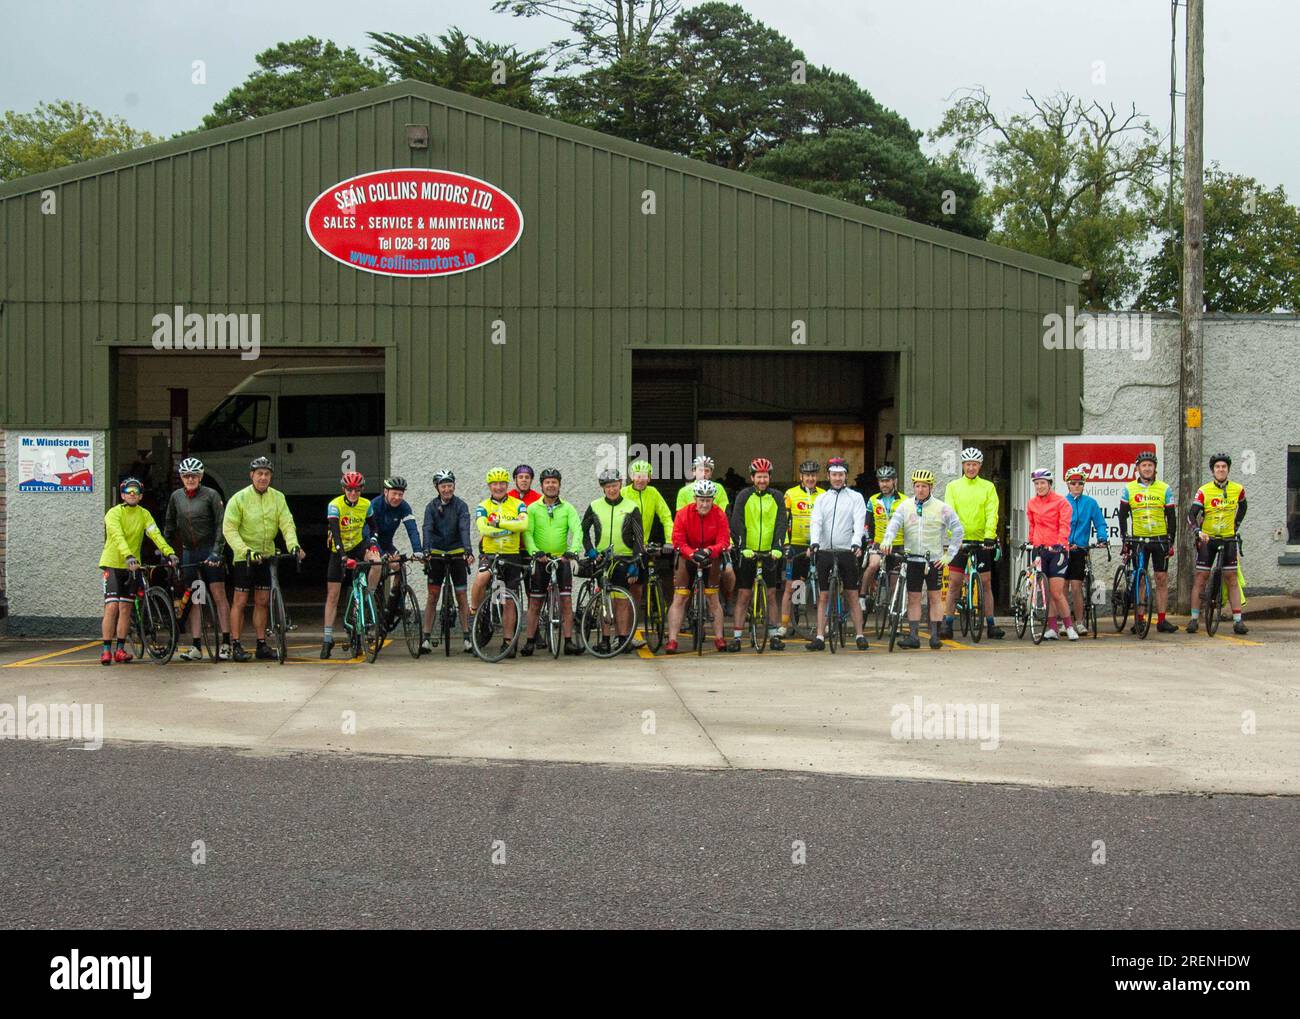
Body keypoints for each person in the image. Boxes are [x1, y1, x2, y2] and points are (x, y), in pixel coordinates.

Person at [221, 457, 304, 662]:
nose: (263, 477)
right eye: (259, 473)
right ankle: (236, 644)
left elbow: (287, 523)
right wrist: (245, 550)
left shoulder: (278, 497)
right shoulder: (238, 499)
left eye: (267, 474)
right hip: (245, 557)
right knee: (240, 601)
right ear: (252, 475)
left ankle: (261, 644)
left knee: (262, 601)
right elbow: (229, 529)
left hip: (267, 555)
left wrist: (293, 544)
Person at [880, 469, 964, 649]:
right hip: (913, 559)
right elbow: (893, 525)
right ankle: (913, 636)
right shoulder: (905, 506)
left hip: (933, 560)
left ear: (931, 487)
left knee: (934, 598)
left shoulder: (942, 507)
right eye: (917, 486)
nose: (920, 490)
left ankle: (934, 636)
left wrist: (949, 555)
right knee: (913, 597)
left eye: (924, 486)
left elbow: (958, 530)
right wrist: (887, 540)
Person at [98, 477, 178, 665]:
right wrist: (127, 555)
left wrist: (170, 553)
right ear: (122, 495)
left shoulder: (144, 514)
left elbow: (155, 534)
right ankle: (106, 649)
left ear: (141, 496)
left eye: (136, 492)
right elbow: (117, 536)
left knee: (126, 608)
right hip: (114, 563)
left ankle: (120, 650)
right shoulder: (113, 513)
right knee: (112, 607)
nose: (132, 495)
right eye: (128, 492)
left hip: (133, 565)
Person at [163, 457, 230, 661]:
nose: (190, 479)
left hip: (210, 549)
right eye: (186, 476)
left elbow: (221, 524)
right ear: (181, 478)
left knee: (218, 593)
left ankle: (226, 642)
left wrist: (217, 551)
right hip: (189, 552)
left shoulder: (211, 495)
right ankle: (196, 646)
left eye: (194, 475)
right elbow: (169, 525)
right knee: (195, 597)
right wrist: (167, 551)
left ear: (200, 477)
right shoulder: (176, 497)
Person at [806, 456, 869, 651]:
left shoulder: (855, 497)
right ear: (828, 475)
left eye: (841, 475)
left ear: (846, 476)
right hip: (825, 550)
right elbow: (816, 521)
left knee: (852, 593)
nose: (838, 478)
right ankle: (820, 636)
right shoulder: (822, 498)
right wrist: (814, 542)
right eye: (834, 475)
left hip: (846, 550)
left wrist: (856, 543)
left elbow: (859, 523)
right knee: (824, 595)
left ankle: (859, 635)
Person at [580, 469, 645, 654]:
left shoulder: (632, 507)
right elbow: (583, 531)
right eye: (608, 486)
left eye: (615, 485)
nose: (612, 489)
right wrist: (591, 551)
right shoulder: (594, 506)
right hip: (601, 559)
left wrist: (635, 561)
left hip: (623, 558)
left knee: (622, 601)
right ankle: (605, 640)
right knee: (604, 600)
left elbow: (639, 538)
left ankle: (623, 639)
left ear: (621, 485)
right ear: (603, 488)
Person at [942, 447, 1003, 640]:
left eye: (974, 464)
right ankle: (948, 623)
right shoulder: (953, 486)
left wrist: (989, 536)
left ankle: (991, 624)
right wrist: (955, 537)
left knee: (985, 583)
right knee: (954, 583)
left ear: (980, 466)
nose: (971, 468)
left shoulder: (988, 487)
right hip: (960, 541)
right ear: (962, 465)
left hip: (981, 541)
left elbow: (992, 513)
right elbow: (949, 513)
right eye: (967, 464)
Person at [521, 468, 583, 656]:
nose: (550, 485)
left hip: (561, 558)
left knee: (565, 601)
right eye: (547, 482)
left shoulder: (567, 508)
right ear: (541, 485)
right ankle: (530, 641)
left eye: (554, 482)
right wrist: (534, 552)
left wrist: (573, 551)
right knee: (535, 602)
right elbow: (527, 533)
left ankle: (568, 641)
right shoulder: (532, 508)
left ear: (559, 485)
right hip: (541, 560)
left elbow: (577, 530)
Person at [728, 458, 788, 651]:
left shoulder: (777, 496)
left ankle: (773, 636)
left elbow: (781, 523)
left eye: (765, 476)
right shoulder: (744, 495)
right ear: (752, 477)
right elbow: (737, 522)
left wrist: (778, 546)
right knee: (744, 594)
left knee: (771, 595)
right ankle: (737, 637)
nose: (762, 480)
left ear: (770, 477)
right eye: (759, 476)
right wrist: (742, 546)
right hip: (748, 552)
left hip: (771, 552)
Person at [664, 479, 730, 653]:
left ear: (713, 499)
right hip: (688, 555)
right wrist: (691, 553)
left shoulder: (719, 514)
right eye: (702, 500)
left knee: (713, 598)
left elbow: (724, 540)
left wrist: (710, 550)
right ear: (695, 498)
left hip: (710, 556)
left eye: (708, 500)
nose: (705, 504)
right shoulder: (683, 514)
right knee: (680, 597)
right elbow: (677, 539)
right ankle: (672, 640)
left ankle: (719, 638)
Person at [472, 468, 531, 658]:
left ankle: (507, 641)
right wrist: (508, 529)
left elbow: (523, 526)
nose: (498, 487)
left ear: (507, 485)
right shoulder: (483, 506)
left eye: (502, 484)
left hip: (512, 555)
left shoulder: (518, 504)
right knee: (481, 578)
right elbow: (483, 529)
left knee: (509, 601)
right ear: (489, 486)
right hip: (490, 554)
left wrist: (498, 525)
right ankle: (475, 612)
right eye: (495, 484)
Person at [1187, 453, 1249, 635]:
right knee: (1200, 577)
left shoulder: (1238, 489)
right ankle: (1193, 619)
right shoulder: (1204, 490)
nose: (1221, 469)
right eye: (1217, 467)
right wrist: (1198, 532)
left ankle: (1238, 621)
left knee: (1231, 578)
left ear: (1228, 469)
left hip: (1228, 539)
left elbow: (1243, 507)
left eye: (1224, 467)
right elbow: (1191, 515)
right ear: (1213, 470)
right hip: (1209, 539)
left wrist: (1236, 525)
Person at [1117, 450, 1178, 634]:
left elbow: (1171, 517)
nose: (1147, 468)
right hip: (1138, 541)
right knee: (1140, 580)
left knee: (1161, 578)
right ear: (1138, 468)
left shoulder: (1164, 488)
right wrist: (1125, 537)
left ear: (1155, 468)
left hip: (1159, 539)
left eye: (1150, 465)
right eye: (1144, 465)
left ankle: (1161, 620)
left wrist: (1170, 540)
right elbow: (1122, 515)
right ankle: (1140, 620)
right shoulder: (1129, 489)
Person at [320, 472, 379, 659]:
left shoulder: (366, 504)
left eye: (357, 489)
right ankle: (327, 638)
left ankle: (367, 596)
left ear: (361, 489)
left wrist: (372, 542)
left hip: (358, 544)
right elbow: (335, 533)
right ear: (344, 489)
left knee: (376, 562)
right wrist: (343, 556)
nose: (353, 493)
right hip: (339, 549)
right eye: (349, 489)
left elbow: (374, 526)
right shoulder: (335, 505)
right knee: (333, 595)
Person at [621, 459, 675, 650]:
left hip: (643, 548)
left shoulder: (653, 493)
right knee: (624, 592)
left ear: (649, 478)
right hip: (625, 547)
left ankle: (630, 634)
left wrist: (669, 540)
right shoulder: (624, 493)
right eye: (637, 475)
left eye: (644, 476)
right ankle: (622, 634)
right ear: (631, 477)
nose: (640, 479)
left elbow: (666, 516)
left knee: (637, 591)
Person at [421, 470, 474, 654]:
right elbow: (427, 528)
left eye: (449, 485)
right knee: (432, 596)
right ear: (437, 487)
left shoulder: (461, 505)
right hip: (436, 552)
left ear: (454, 486)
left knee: (461, 595)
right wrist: (426, 550)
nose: (447, 489)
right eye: (443, 486)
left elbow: (464, 527)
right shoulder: (431, 507)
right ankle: (426, 637)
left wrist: (468, 550)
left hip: (457, 550)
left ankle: (467, 637)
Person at [366, 476, 425, 630]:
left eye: (400, 494)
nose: (398, 497)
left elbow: (412, 529)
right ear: (386, 492)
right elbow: (368, 531)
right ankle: (372, 601)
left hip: (387, 544)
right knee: (378, 566)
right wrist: (378, 551)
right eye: (394, 494)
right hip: (373, 543)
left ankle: (395, 605)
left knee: (401, 568)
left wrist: (418, 551)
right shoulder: (375, 505)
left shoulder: (404, 507)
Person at [1026, 468, 1076, 640]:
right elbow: (1032, 524)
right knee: (1045, 593)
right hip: (1040, 550)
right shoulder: (1032, 503)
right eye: (1037, 484)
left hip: (1057, 551)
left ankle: (1069, 626)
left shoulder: (1061, 502)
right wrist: (1031, 541)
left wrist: (1060, 543)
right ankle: (1052, 628)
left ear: (1049, 484)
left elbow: (1064, 525)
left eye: (1042, 483)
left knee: (1056, 592)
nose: (1039, 486)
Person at [778, 460, 824, 640]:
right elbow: (784, 521)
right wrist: (787, 545)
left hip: (817, 545)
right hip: (796, 544)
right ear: (801, 477)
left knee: (822, 587)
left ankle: (822, 626)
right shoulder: (790, 494)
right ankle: (784, 625)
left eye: (813, 475)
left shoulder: (824, 494)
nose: (810, 478)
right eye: (807, 475)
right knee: (792, 587)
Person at [1063, 465, 1108, 635]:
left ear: (1084, 485)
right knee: (1062, 587)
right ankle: (1064, 622)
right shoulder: (1062, 502)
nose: (1076, 486)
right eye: (1073, 483)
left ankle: (1079, 622)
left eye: (1079, 483)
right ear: (1068, 485)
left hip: (1080, 549)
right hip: (1063, 549)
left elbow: (1100, 523)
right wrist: (1064, 542)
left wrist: (1102, 538)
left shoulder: (1090, 503)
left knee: (1076, 586)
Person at [861, 464, 904, 613]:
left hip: (897, 544)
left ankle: (893, 614)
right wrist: (869, 542)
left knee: (894, 584)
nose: (884, 484)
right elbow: (867, 524)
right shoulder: (873, 500)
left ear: (894, 481)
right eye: (881, 481)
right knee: (873, 565)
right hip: (878, 543)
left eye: (887, 481)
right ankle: (862, 596)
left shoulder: (904, 500)